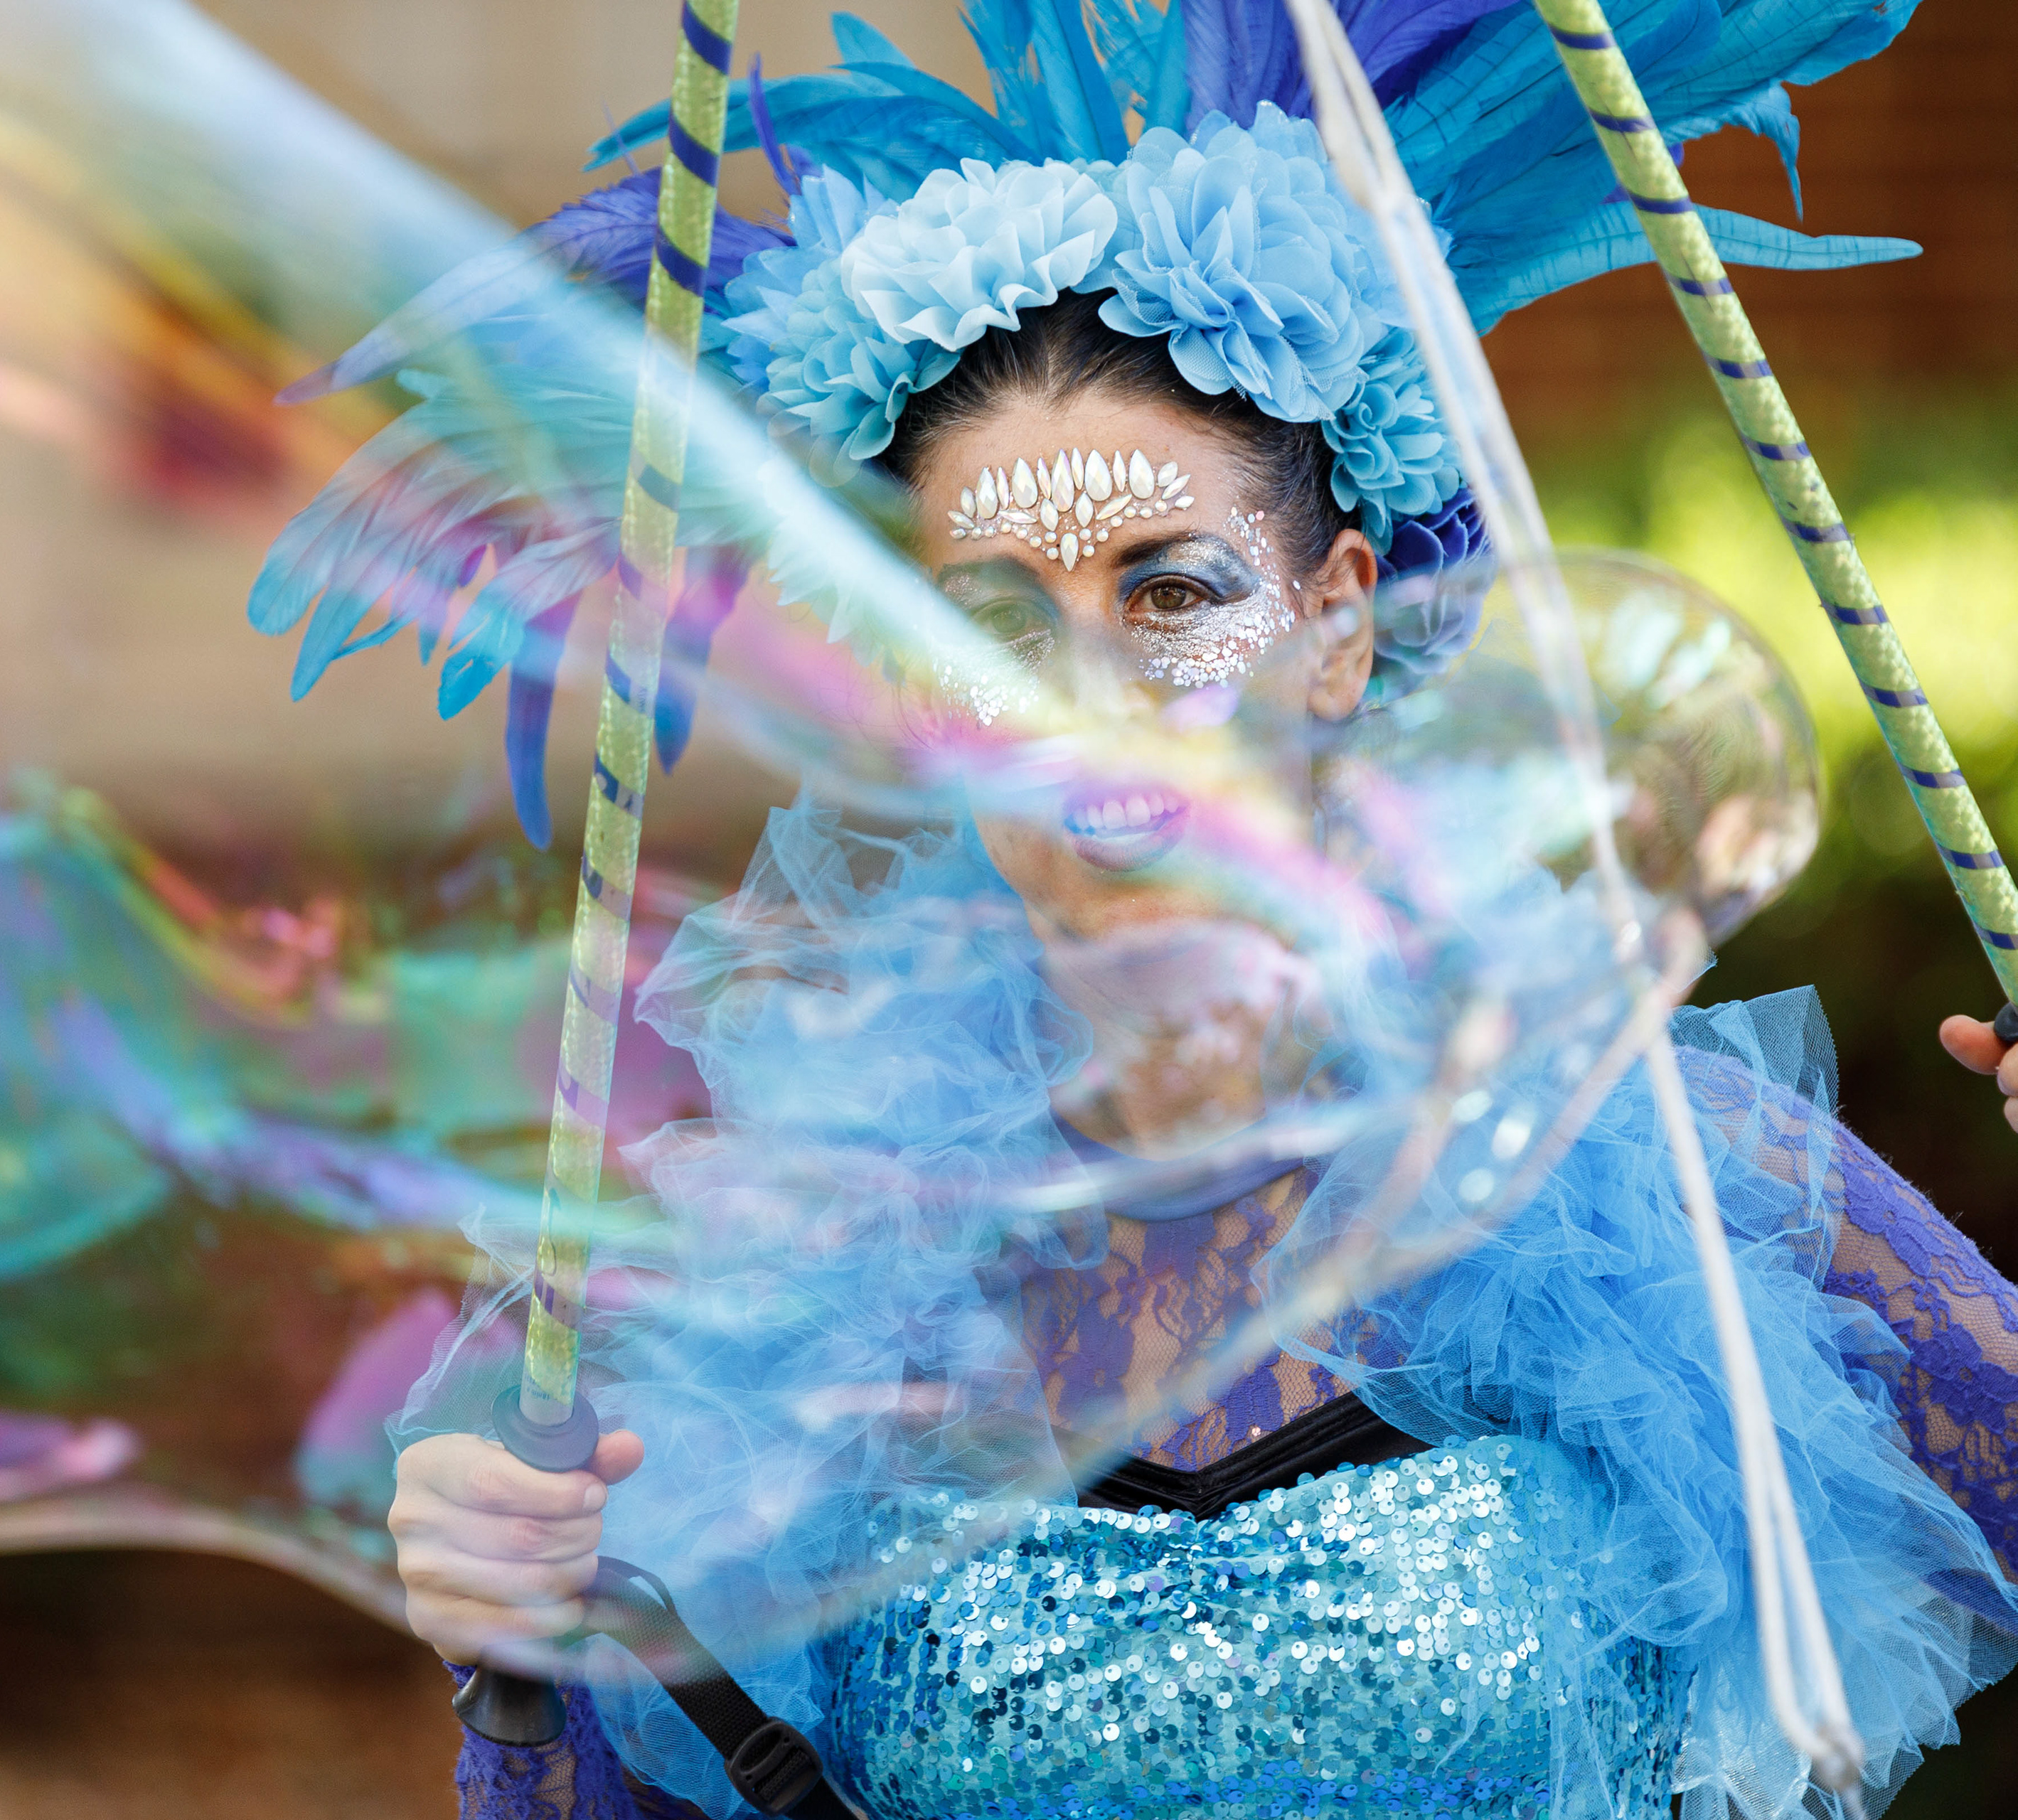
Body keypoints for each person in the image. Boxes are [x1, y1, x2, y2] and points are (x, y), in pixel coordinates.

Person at [257, 4, 2018, 1814]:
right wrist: (521, 1649)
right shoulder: (788, 1270)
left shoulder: (1637, 1182)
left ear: (1340, 621)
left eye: (1169, 597)